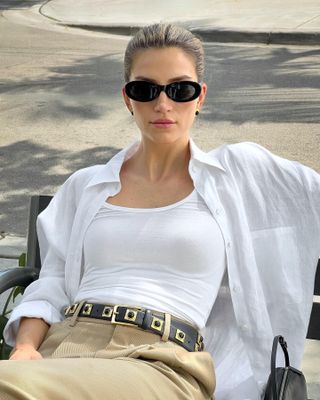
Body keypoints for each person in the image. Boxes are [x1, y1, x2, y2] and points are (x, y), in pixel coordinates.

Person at [0, 23, 319, 400]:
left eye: (180, 89)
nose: (163, 104)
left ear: (200, 98)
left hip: (163, 362)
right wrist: (24, 349)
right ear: (127, 98)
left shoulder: (236, 175)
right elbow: (51, 284)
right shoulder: (85, 187)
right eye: (145, 89)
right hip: (66, 347)